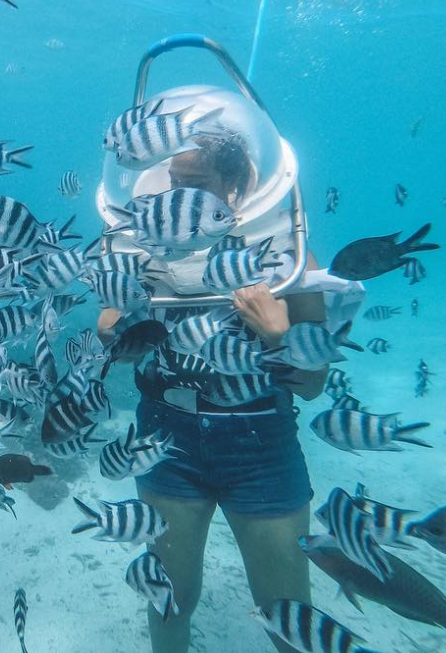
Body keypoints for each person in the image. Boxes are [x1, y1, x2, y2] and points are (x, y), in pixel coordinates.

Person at [99, 138, 327, 653]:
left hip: (260, 445)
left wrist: (278, 336)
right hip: (166, 438)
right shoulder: (147, 254)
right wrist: (117, 330)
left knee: (287, 611)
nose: (177, 195)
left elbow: (314, 386)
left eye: (196, 185)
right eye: (174, 182)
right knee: (170, 598)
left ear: (236, 188)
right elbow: (114, 336)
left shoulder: (287, 258)